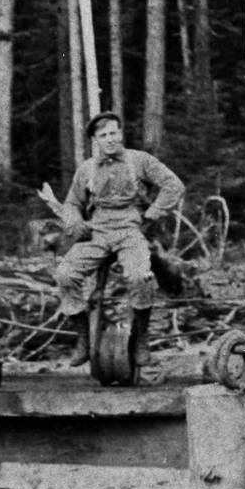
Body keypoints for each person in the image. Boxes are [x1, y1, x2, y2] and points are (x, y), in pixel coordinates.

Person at [50, 112, 185, 373]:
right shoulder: (87, 168)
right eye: (103, 135)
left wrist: (152, 214)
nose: (110, 139)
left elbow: (174, 185)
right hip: (97, 232)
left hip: (130, 231)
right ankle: (84, 338)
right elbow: (71, 203)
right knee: (65, 274)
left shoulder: (140, 160)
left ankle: (142, 341)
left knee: (139, 276)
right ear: (95, 140)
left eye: (113, 133)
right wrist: (75, 222)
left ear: (121, 134)